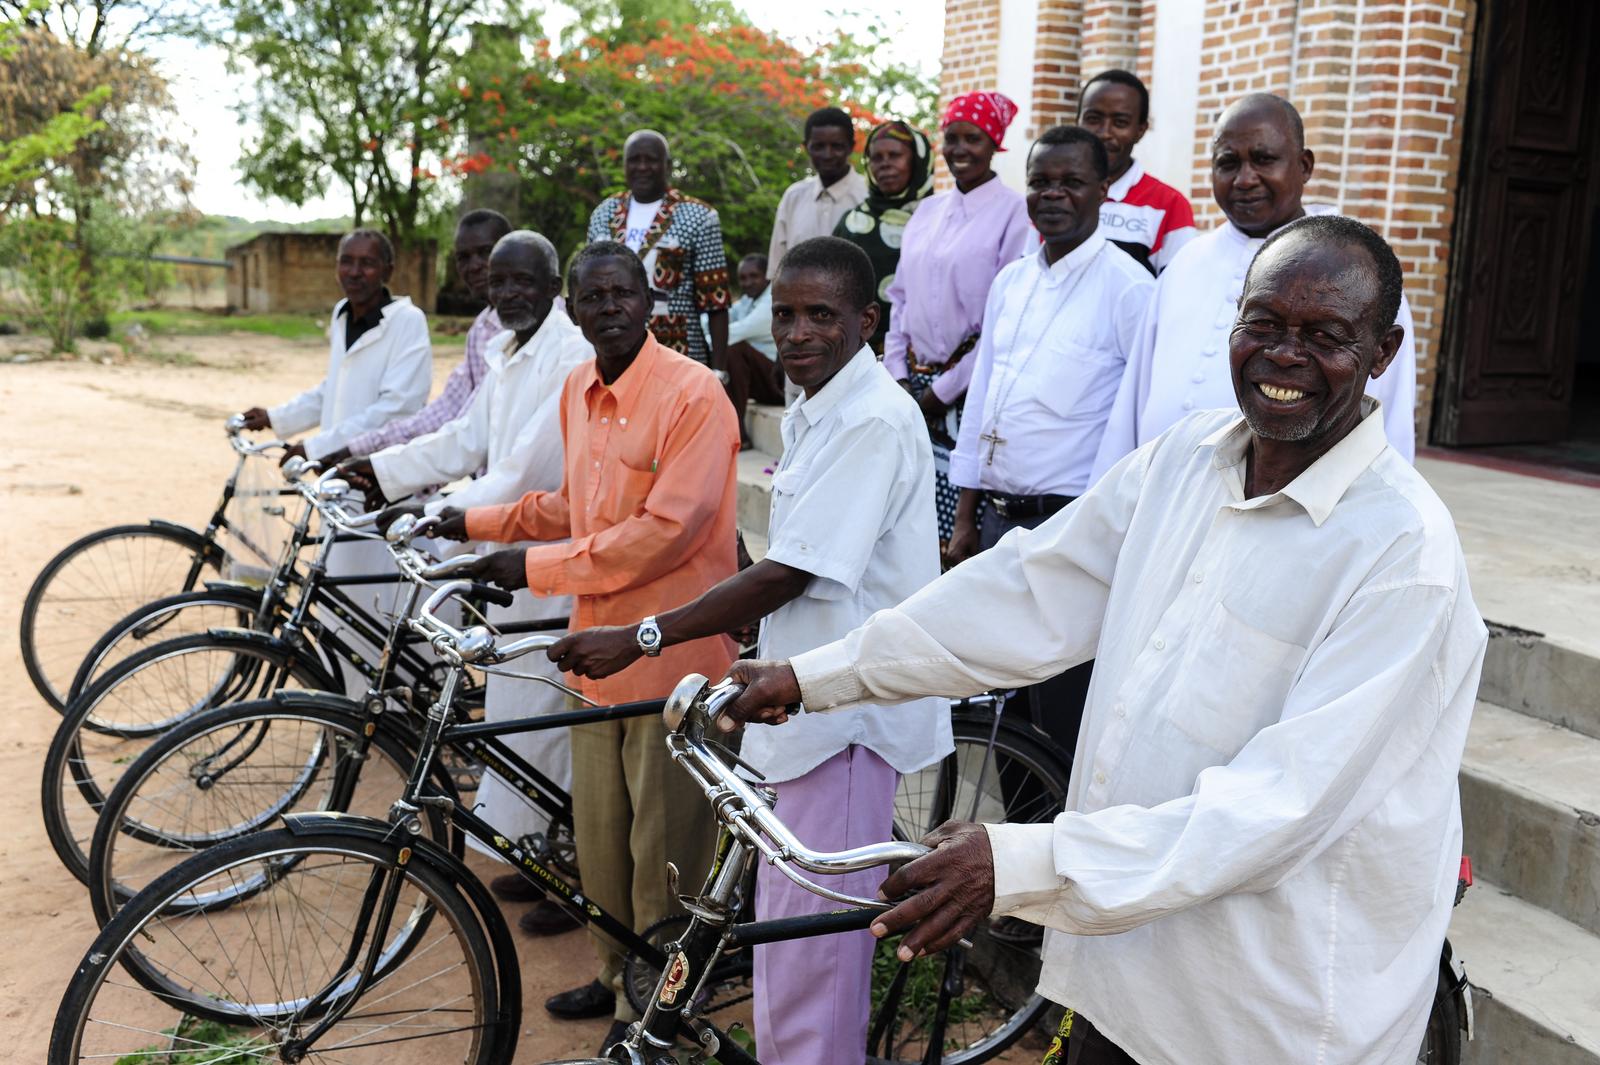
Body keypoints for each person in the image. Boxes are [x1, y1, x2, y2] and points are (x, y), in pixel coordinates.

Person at [719, 215, 1486, 1065]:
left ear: (1382, 353)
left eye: (1326, 336)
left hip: (1266, 1015)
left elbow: (1277, 808)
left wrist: (1019, 861)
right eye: (1262, 324)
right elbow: (1025, 591)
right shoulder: (1186, 461)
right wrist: (815, 674)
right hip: (1123, 978)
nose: (1283, 354)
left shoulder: (1403, 553)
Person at [546, 237, 951, 1065]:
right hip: (800, 703)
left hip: (846, 720)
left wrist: (644, 633)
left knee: (815, 957)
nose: (796, 333)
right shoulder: (818, 404)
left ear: (867, 322)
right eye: (787, 314)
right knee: (784, 935)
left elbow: (792, 571)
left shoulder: (871, 416)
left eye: (821, 316)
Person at [439, 240, 740, 1052]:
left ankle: (659, 1012)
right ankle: (617, 979)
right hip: (593, 661)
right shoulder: (580, 387)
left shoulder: (694, 394)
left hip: (668, 667)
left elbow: (663, 535)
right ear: (574, 310)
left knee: (664, 854)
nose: (607, 306)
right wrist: (470, 521)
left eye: (622, 292)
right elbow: (574, 506)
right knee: (602, 848)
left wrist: (530, 565)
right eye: (592, 296)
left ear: (649, 302)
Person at [336, 231, 594, 937]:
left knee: (548, 726)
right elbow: (465, 442)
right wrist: (383, 471)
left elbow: (524, 471)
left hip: (551, 555)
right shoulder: (510, 354)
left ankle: (571, 878)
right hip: (508, 554)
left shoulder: (569, 355)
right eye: (498, 283)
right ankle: (536, 851)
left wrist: (436, 513)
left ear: (551, 286)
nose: (508, 294)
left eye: (523, 282)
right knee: (516, 717)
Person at [944, 126, 1154, 784]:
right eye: (1040, 181)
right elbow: (982, 399)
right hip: (1001, 524)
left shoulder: (1129, 287)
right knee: (1004, 702)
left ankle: (1059, 854)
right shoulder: (1011, 282)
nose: (1053, 194)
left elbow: (1138, 420)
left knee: (1062, 707)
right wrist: (964, 516)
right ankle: (1009, 850)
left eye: (1071, 182)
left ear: (1103, 190)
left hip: (1071, 526)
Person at [1091, 93, 1417, 478]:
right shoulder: (1186, 262)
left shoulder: (1358, 271)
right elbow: (1133, 400)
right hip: (1159, 496)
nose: (1245, 179)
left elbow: (1389, 421)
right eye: (1228, 163)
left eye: (1264, 160)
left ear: (1304, 165)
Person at [883, 91, 1031, 545]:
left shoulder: (1015, 213)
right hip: (909, 391)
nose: (960, 149)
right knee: (899, 524)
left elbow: (1005, 321)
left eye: (974, 138)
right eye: (952, 138)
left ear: (994, 145)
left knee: (950, 534)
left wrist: (940, 393)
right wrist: (898, 376)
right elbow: (900, 298)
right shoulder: (926, 211)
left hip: (968, 396)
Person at [317, 209, 512, 467]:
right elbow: (447, 411)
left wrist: (385, 468)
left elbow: (405, 409)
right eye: (463, 257)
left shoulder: (408, 319)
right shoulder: (480, 330)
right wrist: (354, 451)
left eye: (485, 253)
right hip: (479, 484)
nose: (475, 265)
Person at [239, 228, 431, 461]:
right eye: (346, 262)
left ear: (387, 271)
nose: (354, 272)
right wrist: (275, 417)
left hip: (378, 472)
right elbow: (335, 389)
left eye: (367, 263)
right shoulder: (341, 314)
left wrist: (318, 447)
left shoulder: (407, 321)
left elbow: (397, 410)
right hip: (337, 470)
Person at [586, 129, 732, 369]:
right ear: (624, 165)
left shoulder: (698, 215)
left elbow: (716, 302)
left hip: (678, 352)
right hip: (613, 349)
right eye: (634, 160)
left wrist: (719, 371)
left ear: (668, 165)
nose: (642, 167)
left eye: (651, 159)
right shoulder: (605, 213)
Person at [1077, 69, 1197, 274]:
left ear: (1140, 130)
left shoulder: (1169, 206)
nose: (1105, 133)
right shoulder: (1052, 194)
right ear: (1077, 120)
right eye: (1093, 118)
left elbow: (1178, 291)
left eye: (1120, 122)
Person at [833, 120, 936, 352]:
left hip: (920, 356)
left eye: (895, 155)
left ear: (917, 161)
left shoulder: (939, 222)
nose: (885, 164)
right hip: (854, 354)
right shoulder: (852, 223)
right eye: (877, 158)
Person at [767, 106, 870, 275]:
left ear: (851, 147)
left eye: (836, 146)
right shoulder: (793, 197)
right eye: (818, 146)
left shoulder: (869, 196)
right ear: (806, 147)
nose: (827, 154)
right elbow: (778, 273)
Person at [723, 252, 785, 449]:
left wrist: (712, 337)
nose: (747, 282)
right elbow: (721, 318)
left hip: (779, 385)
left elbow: (735, 331)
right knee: (726, 351)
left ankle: (738, 433)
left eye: (753, 276)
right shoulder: (748, 300)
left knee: (733, 350)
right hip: (760, 382)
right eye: (742, 278)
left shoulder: (772, 301)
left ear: (767, 276)